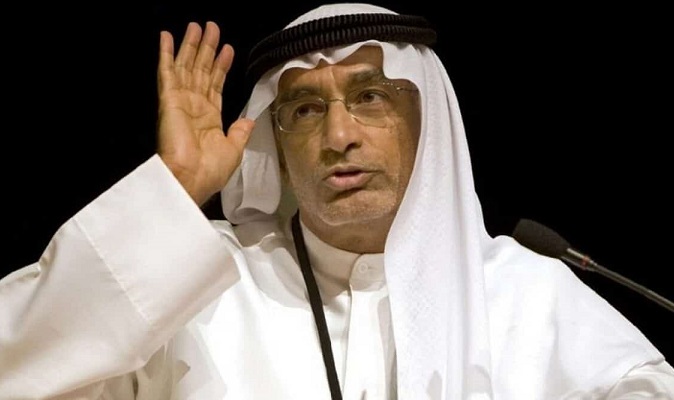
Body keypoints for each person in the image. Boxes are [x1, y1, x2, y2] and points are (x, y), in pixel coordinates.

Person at [1, 2, 673, 399]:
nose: (338, 136)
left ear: (427, 122)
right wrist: (174, 192)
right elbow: (17, 368)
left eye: (370, 97)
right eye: (304, 109)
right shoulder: (196, 291)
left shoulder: (530, 295)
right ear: (277, 141)